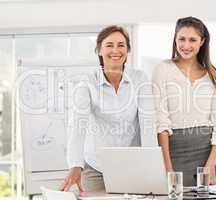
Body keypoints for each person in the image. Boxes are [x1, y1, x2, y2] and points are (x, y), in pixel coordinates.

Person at [59, 25, 157, 192]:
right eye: (109, 45)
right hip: (96, 166)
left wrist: (152, 166)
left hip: (131, 165)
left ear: (128, 50)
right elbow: (77, 124)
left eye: (121, 45)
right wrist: (75, 164)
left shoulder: (140, 79)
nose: (115, 50)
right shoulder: (87, 83)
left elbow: (148, 124)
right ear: (99, 50)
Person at [152, 17, 216, 186]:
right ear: (175, 40)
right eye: (181, 39)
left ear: (202, 42)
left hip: (208, 154)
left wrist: (211, 164)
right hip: (173, 152)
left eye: (193, 40)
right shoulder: (162, 69)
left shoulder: (214, 75)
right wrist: (167, 168)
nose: (186, 45)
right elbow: (161, 121)